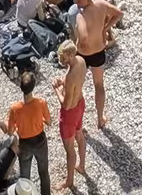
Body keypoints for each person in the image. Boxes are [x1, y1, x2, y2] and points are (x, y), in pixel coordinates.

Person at [72, 0, 122, 130]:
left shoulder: (80, 16)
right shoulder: (100, 3)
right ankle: (100, 118)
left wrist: (77, 42)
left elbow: (84, 38)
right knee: (99, 85)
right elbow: (118, 14)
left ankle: (78, 123)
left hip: (83, 54)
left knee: (78, 87)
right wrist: (105, 29)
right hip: (99, 50)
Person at [7, 67, 52, 195]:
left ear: (21, 87)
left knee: (25, 178)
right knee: (43, 173)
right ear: (34, 86)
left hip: (24, 144)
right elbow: (49, 122)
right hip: (40, 141)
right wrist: (40, 121)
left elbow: (10, 132)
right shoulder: (41, 103)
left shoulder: (14, 108)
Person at [54, 41, 88, 192]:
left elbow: (65, 105)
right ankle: (81, 166)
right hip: (80, 104)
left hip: (70, 114)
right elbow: (75, 82)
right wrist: (64, 83)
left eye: (63, 57)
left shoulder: (69, 76)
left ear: (71, 54)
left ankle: (69, 181)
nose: (61, 60)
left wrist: (57, 90)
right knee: (80, 135)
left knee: (69, 149)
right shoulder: (81, 61)